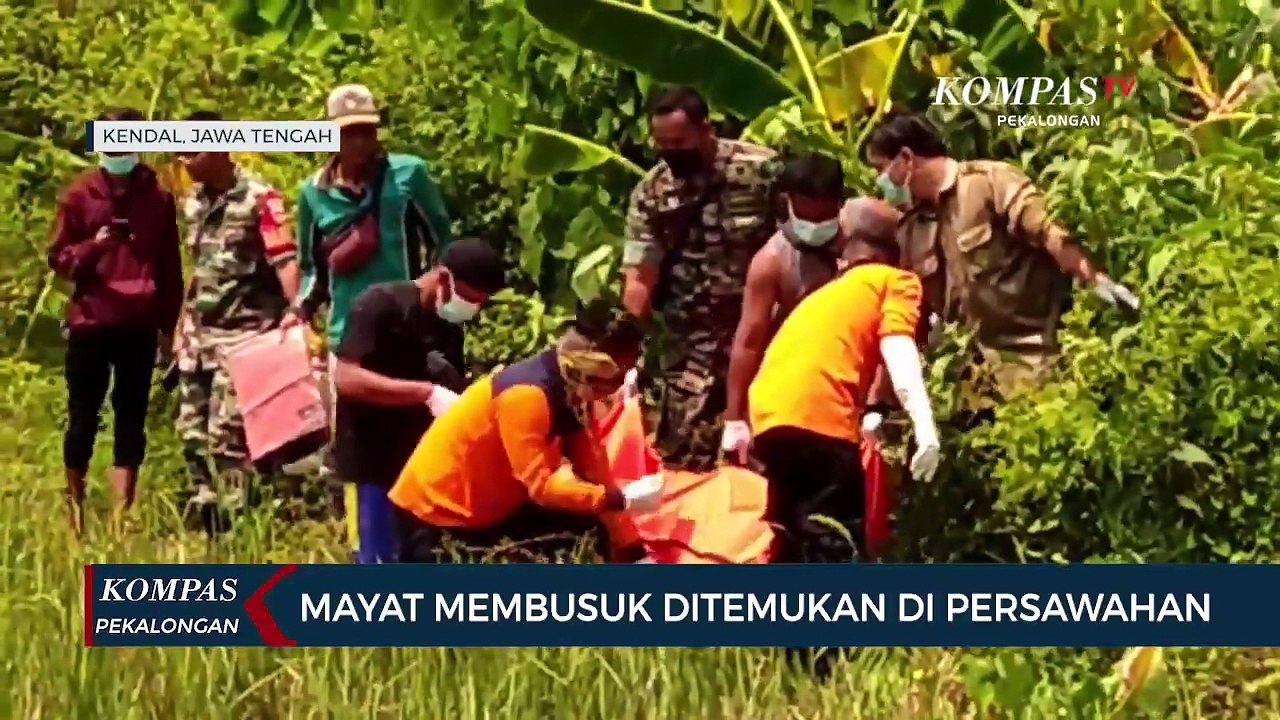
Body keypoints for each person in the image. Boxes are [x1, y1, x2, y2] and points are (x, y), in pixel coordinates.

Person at [864, 111, 1139, 405]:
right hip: (976, 371)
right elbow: (914, 311)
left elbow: (1049, 232)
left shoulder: (988, 182)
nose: (881, 182)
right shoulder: (912, 229)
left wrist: (1094, 278)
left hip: (1035, 352)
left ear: (906, 158)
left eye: (881, 169)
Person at [389, 301, 663, 563]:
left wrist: (631, 546)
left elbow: (592, 466)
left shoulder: (573, 393)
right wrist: (617, 499)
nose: (619, 387)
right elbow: (542, 487)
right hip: (435, 513)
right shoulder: (526, 397)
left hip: (492, 504)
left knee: (589, 523)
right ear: (592, 369)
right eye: (617, 377)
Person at [748, 229, 941, 565]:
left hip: (769, 418)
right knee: (836, 540)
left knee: (792, 537)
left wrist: (869, 413)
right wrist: (926, 428)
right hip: (819, 417)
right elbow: (898, 348)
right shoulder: (896, 280)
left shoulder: (826, 296)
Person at [620, 85, 778, 473]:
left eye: (679, 142)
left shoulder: (761, 170)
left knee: (766, 448)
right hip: (689, 348)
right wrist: (625, 352)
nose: (671, 152)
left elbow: (796, 242)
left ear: (706, 128)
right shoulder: (652, 193)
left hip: (759, 335)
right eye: (662, 144)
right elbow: (639, 278)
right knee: (684, 456)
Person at [47, 106, 184, 535]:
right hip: (91, 320)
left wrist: (169, 329)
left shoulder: (158, 198)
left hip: (138, 323)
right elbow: (59, 258)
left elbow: (170, 268)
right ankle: (75, 510)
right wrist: (95, 247)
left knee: (131, 419)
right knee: (82, 418)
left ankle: (123, 518)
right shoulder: (79, 195)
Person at [334, 238, 506, 563]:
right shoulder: (380, 304)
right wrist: (425, 393)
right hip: (369, 460)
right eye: (468, 298)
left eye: (479, 303)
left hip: (419, 462)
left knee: (421, 557)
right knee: (375, 559)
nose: (471, 308)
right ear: (443, 277)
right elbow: (347, 377)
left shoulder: (448, 328)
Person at [723, 153, 903, 462]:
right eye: (808, 219)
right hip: (814, 383)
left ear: (839, 204)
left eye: (824, 218)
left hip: (879, 362)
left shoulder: (869, 219)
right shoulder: (772, 262)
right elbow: (749, 340)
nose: (816, 227)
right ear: (789, 203)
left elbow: (917, 236)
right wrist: (734, 417)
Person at [289, 83, 457, 406]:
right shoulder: (313, 193)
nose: (359, 141)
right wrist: (300, 311)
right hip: (346, 335)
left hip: (405, 330)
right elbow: (313, 270)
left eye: (366, 131)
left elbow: (443, 240)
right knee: (352, 428)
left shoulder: (408, 175)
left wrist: (434, 297)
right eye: (348, 132)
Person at [172, 110, 301, 512]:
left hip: (245, 336)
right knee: (191, 435)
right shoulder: (194, 202)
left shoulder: (260, 199)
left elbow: (285, 260)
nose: (183, 160)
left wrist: (299, 315)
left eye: (191, 151)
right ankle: (208, 516)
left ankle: (240, 518)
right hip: (199, 338)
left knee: (226, 437)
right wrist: (181, 326)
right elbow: (200, 268)